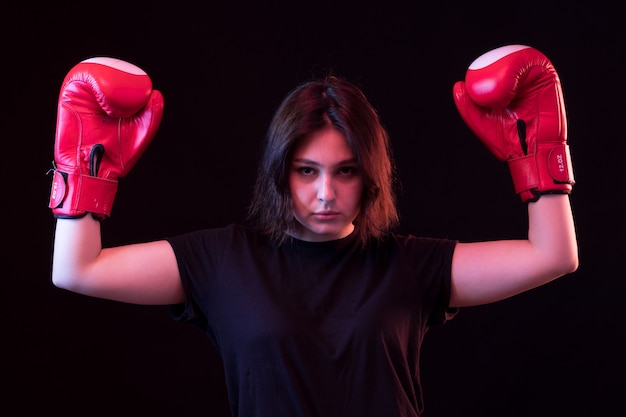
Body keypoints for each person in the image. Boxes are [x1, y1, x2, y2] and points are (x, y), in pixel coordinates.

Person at [48, 44, 579, 417]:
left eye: (345, 170)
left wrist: (539, 161)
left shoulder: (413, 265)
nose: (326, 192)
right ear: (280, 171)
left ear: (370, 173)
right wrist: (84, 174)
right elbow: (77, 270)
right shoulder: (222, 260)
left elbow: (553, 256)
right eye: (307, 171)